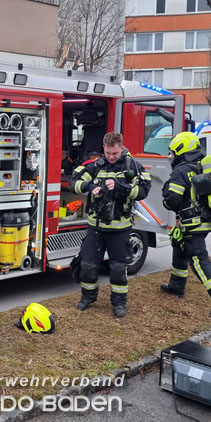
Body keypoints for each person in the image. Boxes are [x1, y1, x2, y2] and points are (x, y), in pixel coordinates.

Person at [70, 132, 151, 317]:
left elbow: (144, 190)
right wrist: (90, 187)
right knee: (88, 265)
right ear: (103, 149)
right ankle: (88, 298)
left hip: (119, 229)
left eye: (114, 153)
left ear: (121, 147)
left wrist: (122, 187)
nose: (111, 157)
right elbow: (73, 182)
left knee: (117, 269)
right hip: (96, 228)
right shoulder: (95, 166)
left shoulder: (133, 166)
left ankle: (119, 303)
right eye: (108, 153)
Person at [160, 131, 211, 318]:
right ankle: (176, 287)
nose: (171, 156)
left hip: (192, 224)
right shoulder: (202, 167)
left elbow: (173, 200)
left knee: (199, 261)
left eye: (172, 152)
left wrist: (165, 199)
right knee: (179, 247)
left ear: (181, 150)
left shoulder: (181, 170)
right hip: (203, 221)